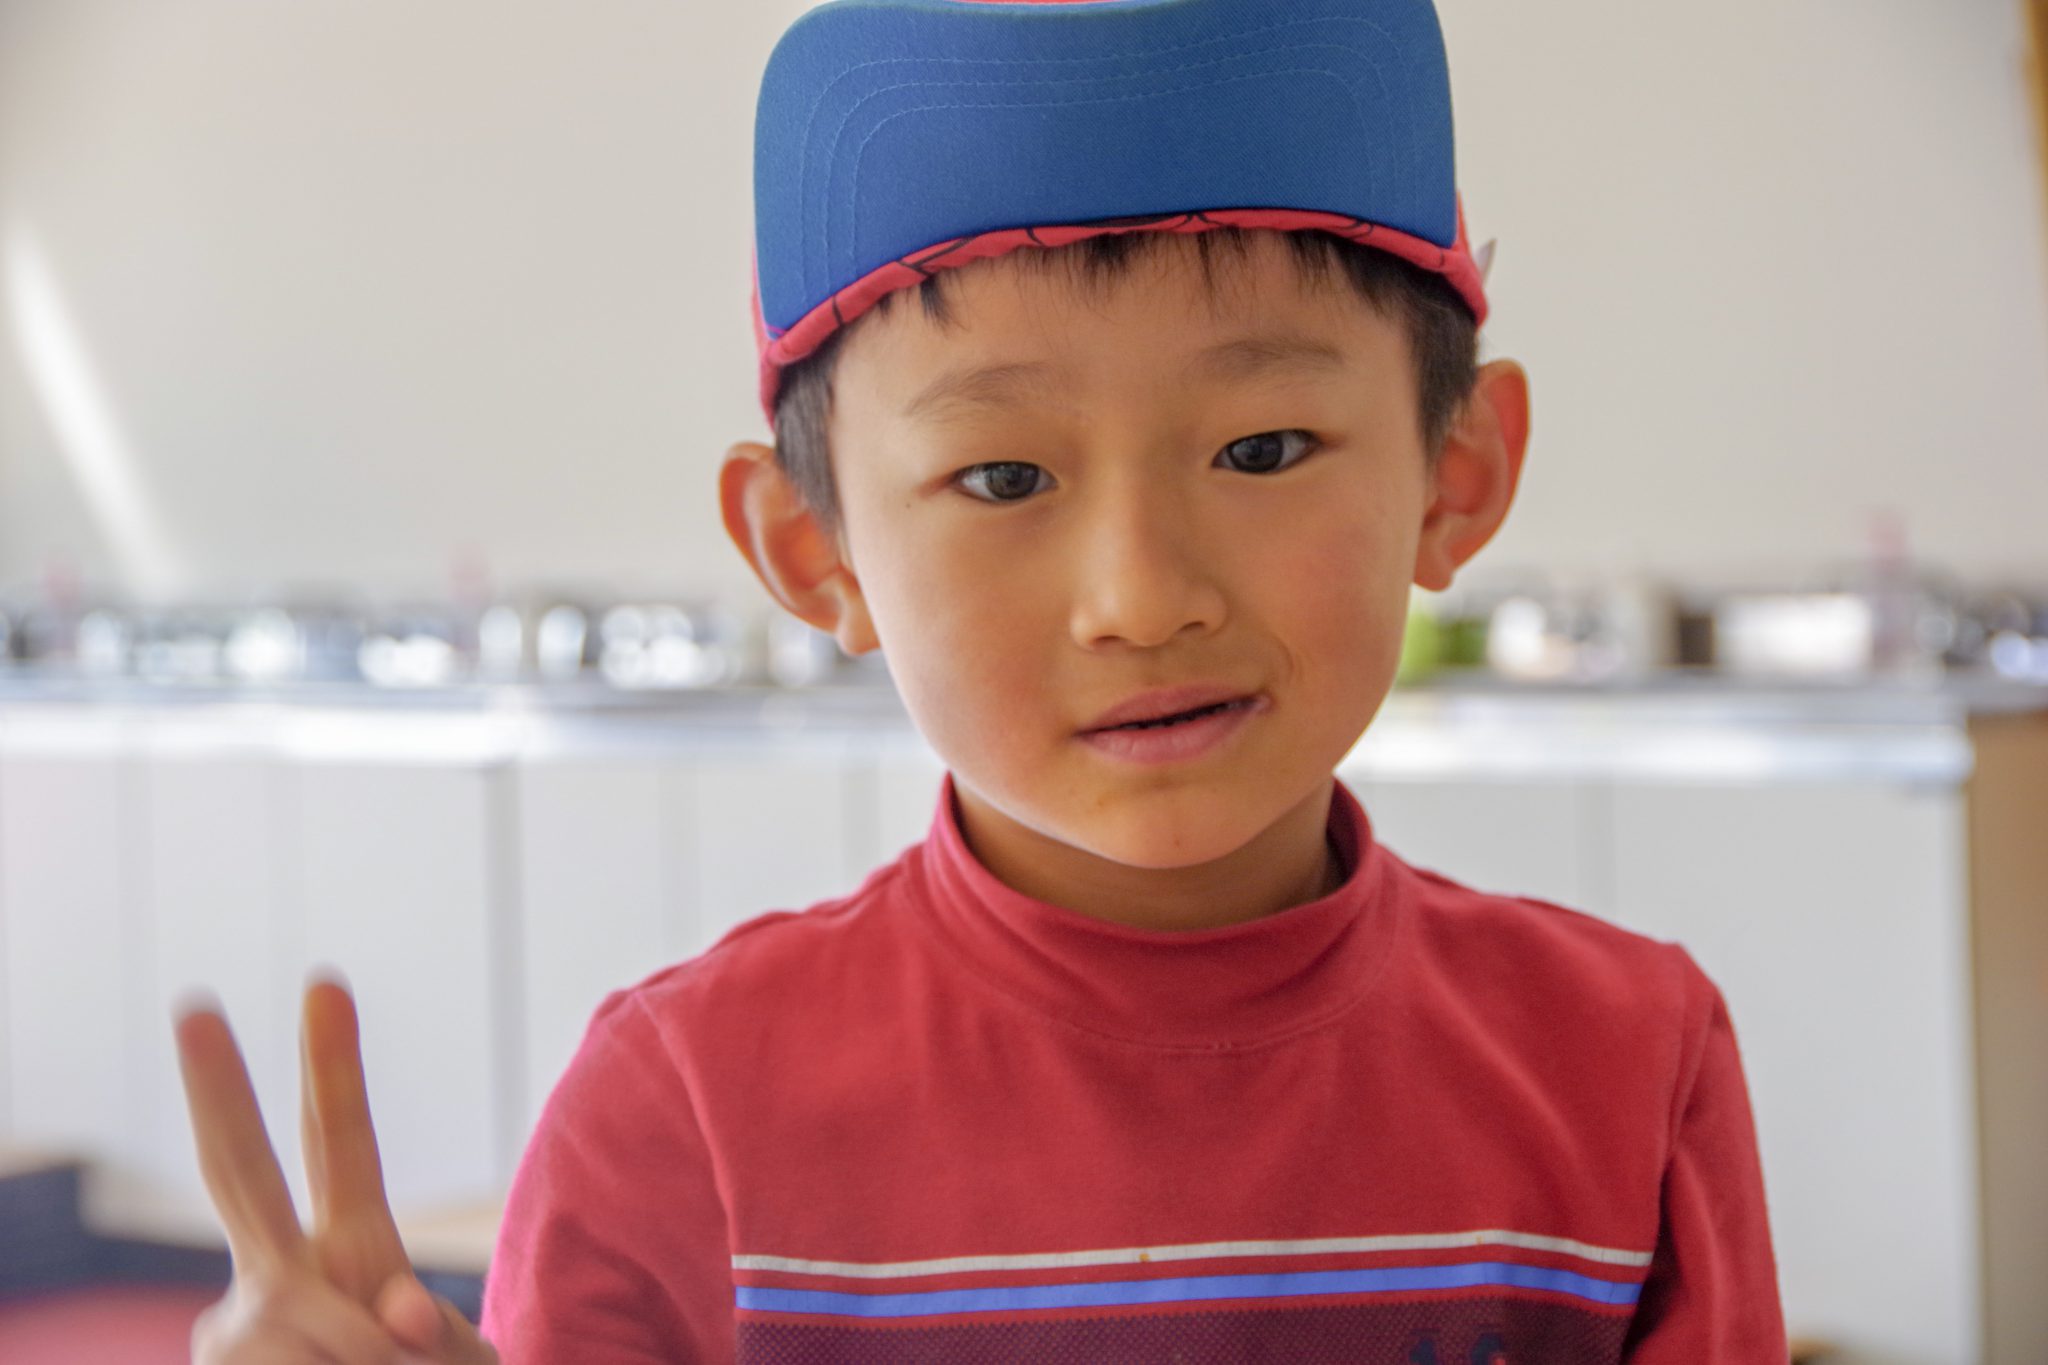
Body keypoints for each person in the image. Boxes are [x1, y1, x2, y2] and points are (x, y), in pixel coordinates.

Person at [173, 0, 1789, 1360]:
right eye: (1005, 477)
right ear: (813, 550)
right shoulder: (688, 1119)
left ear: (1457, 473)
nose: (1142, 598)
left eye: (1263, 448)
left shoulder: (1624, 1066)